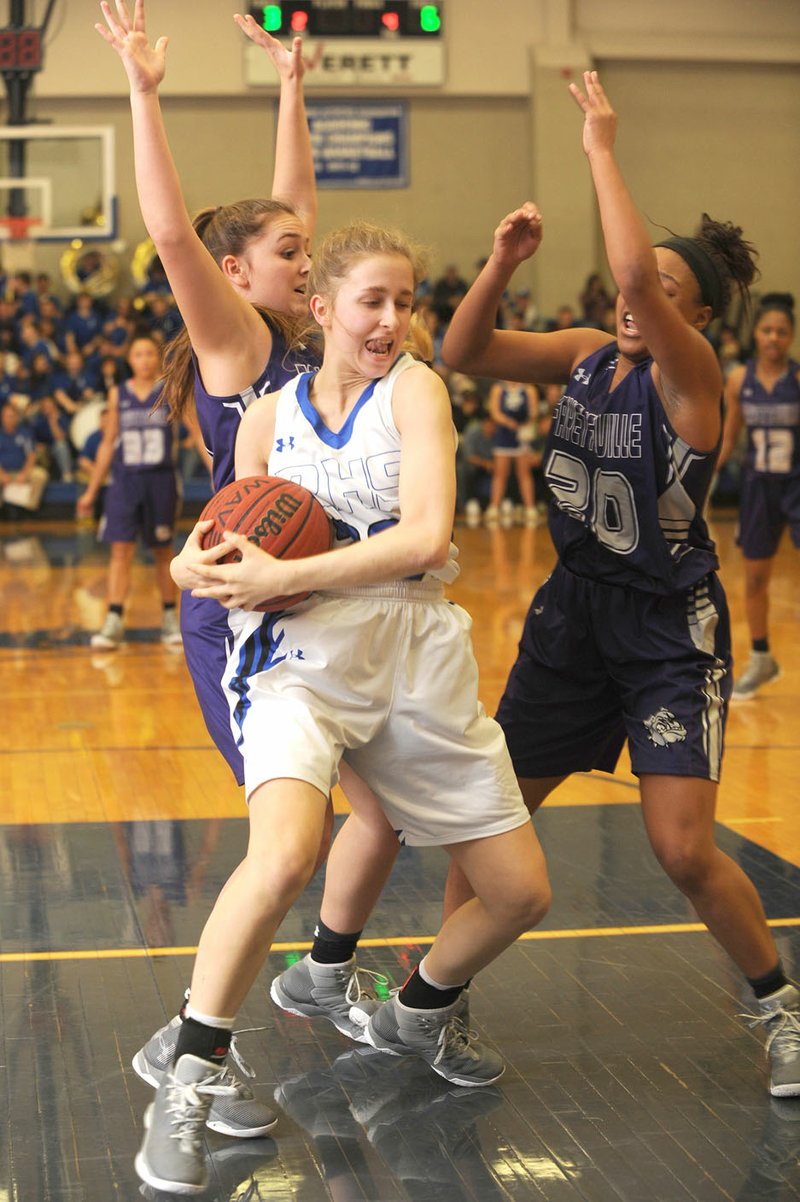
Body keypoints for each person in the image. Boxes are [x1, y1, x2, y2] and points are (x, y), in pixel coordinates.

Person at [135, 221, 550, 1194]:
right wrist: (189, 561)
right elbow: (220, 539)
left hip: (413, 653)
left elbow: (425, 536)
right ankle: (189, 1071)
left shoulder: (415, 389)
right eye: (371, 301)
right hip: (301, 656)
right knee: (284, 851)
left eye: (404, 302)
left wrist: (292, 566)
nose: (392, 320)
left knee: (520, 890)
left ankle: (416, 1007)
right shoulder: (265, 418)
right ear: (319, 309)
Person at [441, 71, 800, 1099]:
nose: (638, 305)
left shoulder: (694, 384)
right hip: (570, 615)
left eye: (666, 298)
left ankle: (776, 1005)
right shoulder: (591, 354)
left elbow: (637, 276)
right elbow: (465, 351)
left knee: (682, 849)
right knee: (488, 813)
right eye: (641, 294)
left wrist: (599, 144)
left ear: (695, 319)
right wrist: (502, 263)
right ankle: (442, 995)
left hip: (665, 630)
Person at [96, 0, 405, 1148]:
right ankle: (184, 1041)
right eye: (287, 253)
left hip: (308, 609)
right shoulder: (236, 342)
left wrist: (291, 81)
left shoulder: (302, 332)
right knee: (289, 841)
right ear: (240, 273)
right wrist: (142, 89)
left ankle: (315, 975)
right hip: (240, 623)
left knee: (371, 814)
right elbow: (177, 238)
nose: (308, 256)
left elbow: (296, 210)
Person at [717, 292, 800, 699]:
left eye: (781, 332)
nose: (773, 338)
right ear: (756, 333)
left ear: (791, 338)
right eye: (767, 330)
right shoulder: (738, 379)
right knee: (754, 578)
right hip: (757, 488)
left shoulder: (798, 379)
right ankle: (762, 656)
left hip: (796, 483)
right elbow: (729, 436)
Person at [77, 332, 182, 647]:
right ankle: (113, 619)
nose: (145, 360)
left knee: (163, 551)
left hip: (160, 480)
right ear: (130, 360)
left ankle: (168, 619)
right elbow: (108, 444)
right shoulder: (118, 394)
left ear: (158, 358)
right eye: (138, 354)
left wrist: (217, 475)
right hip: (125, 482)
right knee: (120, 551)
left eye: (150, 353)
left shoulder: (170, 390)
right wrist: (92, 491)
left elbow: (195, 431)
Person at [484, 378, 539, 525]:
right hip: (503, 435)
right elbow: (494, 412)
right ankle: (494, 507)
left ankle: (530, 507)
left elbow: (534, 411)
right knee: (500, 474)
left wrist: (526, 423)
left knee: (524, 473)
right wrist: (508, 422)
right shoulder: (498, 389)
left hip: (521, 435)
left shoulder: (529, 389)